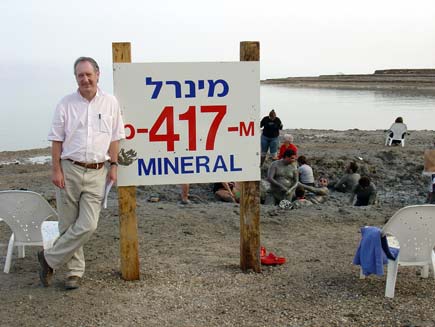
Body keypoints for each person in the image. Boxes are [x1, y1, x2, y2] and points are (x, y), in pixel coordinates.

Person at [38, 57, 125, 290]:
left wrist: (114, 165)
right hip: (70, 168)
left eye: (88, 74)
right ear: (76, 78)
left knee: (88, 224)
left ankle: (48, 258)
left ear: (98, 75)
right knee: (68, 224)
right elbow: (56, 139)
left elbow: (115, 137)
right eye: (80, 75)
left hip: (98, 171)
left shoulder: (110, 103)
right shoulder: (65, 104)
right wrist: (56, 169)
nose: (85, 79)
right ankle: (74, 273)